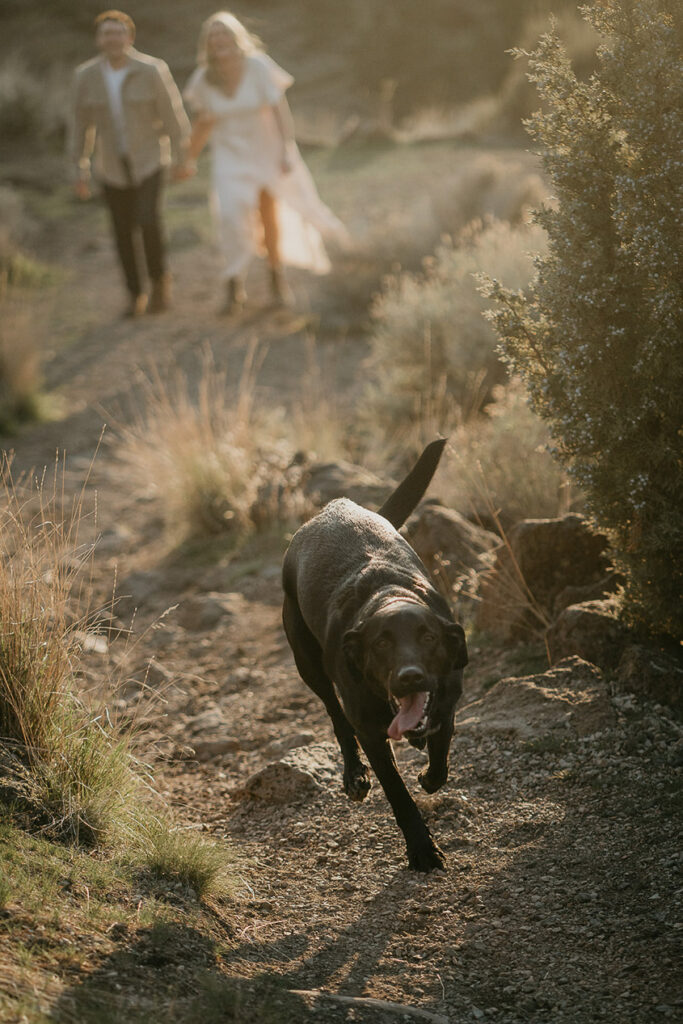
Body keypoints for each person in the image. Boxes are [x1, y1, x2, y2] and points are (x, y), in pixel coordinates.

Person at [182, 11, 347, 315]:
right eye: (213, 35)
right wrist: (188, 158)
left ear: (236, 37)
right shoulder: (204, 79)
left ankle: (276, 278)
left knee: (270, 215)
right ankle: (234, 282)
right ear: (207, 43)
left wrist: (285, 149)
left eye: (224, 33)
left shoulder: (258, 66)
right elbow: (202, 123)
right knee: (231, 216)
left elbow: (278, 109)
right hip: (229, 156)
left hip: (266, 150)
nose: (219, 39)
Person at [69, 10, 191, 317]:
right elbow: (79, 126)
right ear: (99, 40)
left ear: (130, 37)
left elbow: (173, 116)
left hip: (149, 159)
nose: (113, 39)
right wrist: (79, 168)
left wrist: (183, 157)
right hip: (111, 167)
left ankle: (160, 284)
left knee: (148, 220)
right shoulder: (86, 76)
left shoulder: (151, 70)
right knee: (122, 231)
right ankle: (135, 293)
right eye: (107, 34)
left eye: (118, 33)